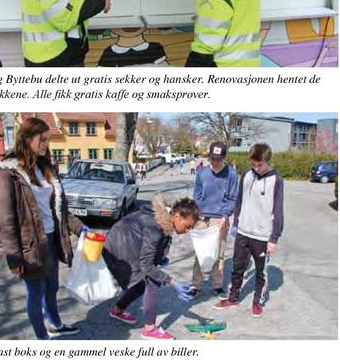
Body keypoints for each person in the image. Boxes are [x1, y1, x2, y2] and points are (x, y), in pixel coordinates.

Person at [0, 117, 78, 339]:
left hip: (51, 240)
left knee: (52, 288)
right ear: (27, 138)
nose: (45, 144)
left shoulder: (46, 168)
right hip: (30, 247)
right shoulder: (8, 173)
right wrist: (14, 258)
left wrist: (83, 229)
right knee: (36, 292)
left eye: (48, 140)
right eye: (42, 139)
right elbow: (5, 220)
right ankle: (42, 338)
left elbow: (62, 209)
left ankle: (56, 324)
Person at [105, 197, 200, 339]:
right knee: (152, 280)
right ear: (177, 216)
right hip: (117, 252)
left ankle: (117, 310)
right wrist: (172, 281)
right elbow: (146, 264)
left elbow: (151, 246)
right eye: (188, 226)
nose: (187, 231)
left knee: (144, 281)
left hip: (123, 246)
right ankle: (150, 329)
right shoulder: (155, 226)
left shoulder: (163, 220)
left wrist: (160, 258)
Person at [218, 142, 284, 317]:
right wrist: (236, 223)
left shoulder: (276, 179)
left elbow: (278, 209)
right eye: (253, 164)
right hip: (243, 231)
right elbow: (239, 201)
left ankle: (257, 302)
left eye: (259, 165)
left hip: (262, 235)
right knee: (237, 267)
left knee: (261, 272)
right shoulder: (247, 175)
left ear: (267, 161)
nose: (256, 168)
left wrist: (274, 238)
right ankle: (233, 298)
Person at [190, 141, 238, 296]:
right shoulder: (202, 172)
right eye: (212, 159)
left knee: (219, 252)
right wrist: (198, 210)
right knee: (200, 251)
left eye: (218, 159)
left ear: (224, 158)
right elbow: (197, 193)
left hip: (220, 219)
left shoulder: (231, 174)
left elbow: (232, 197)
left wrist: (225, 215)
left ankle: (217, 284)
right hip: (202, 218)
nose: (215, 162)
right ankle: (196, 285)